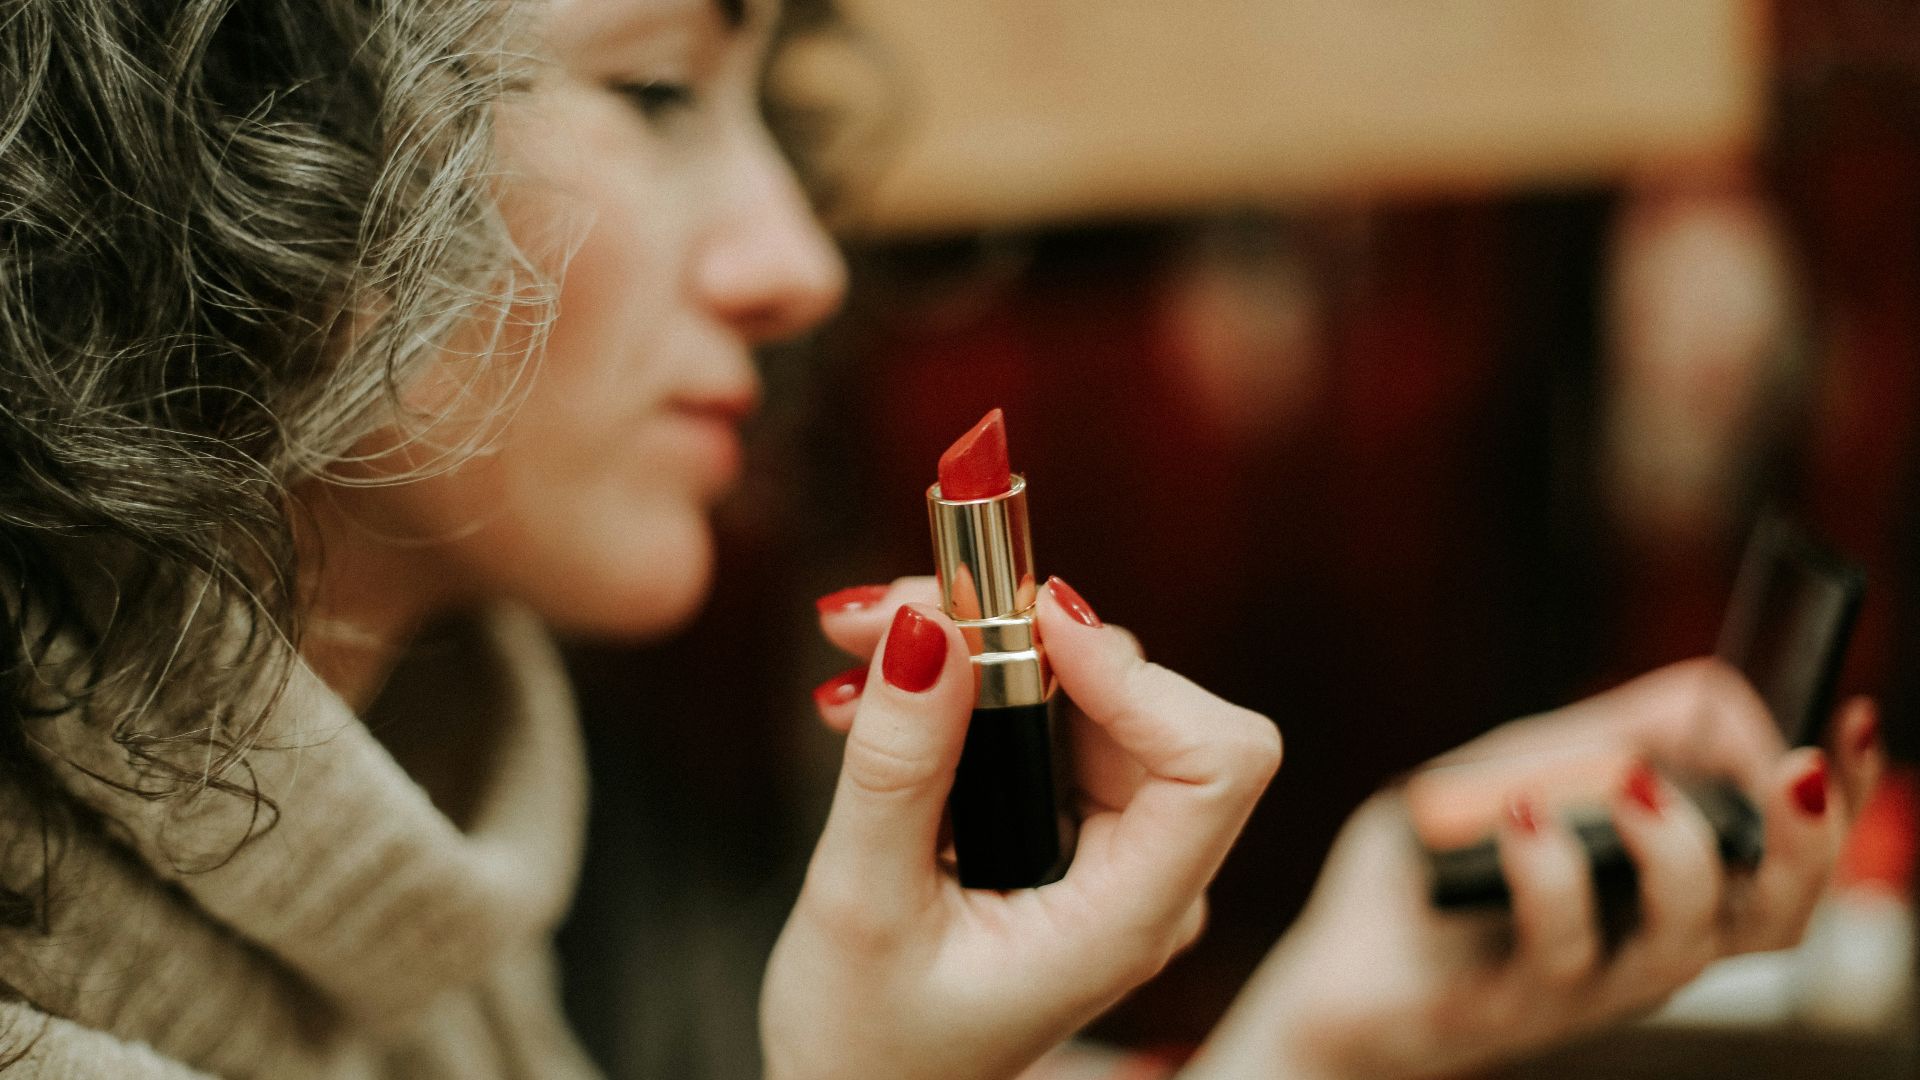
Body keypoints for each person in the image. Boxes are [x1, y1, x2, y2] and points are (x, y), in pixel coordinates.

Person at [0, 0, 1881, 1078]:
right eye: (655, 90)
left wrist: (1330, 1032)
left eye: (758, 105)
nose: (802, 262)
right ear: (226, 116)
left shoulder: (436, 880)